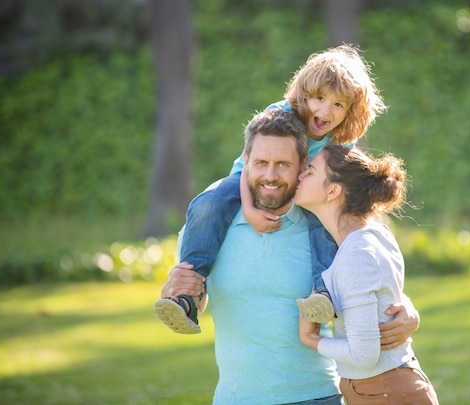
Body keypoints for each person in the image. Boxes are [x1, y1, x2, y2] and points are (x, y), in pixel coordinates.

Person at [160, 109, 420, 404]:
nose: (270, 176)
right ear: (245, 163)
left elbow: (371, 276)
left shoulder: (324, 228)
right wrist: (178, 288)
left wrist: (408, 311)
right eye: (261, 163)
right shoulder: (209, 227)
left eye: (283, 164)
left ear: (302, 167)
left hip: (318, 396)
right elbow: (202, 300)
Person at [154, 44, 387, 333]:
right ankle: (189, 294)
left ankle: (323, 292)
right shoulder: (281, 114)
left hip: (304, 192)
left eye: (338, 105)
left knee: (322, 224)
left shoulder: (340, 140)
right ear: (304, 94)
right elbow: (248, 164)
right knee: (208, 202)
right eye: (319, 98)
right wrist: (249, 207)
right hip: (247, 180)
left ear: (350, 111)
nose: (325, 111)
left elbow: (339, 183)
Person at [295, 145, 439, 404]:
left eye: (311, 171)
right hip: (390, 386)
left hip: (385, 391)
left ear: (333, 190)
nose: (300, 176)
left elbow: (364, 355)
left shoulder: (357, 253)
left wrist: (312, 339)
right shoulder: (375, 234)